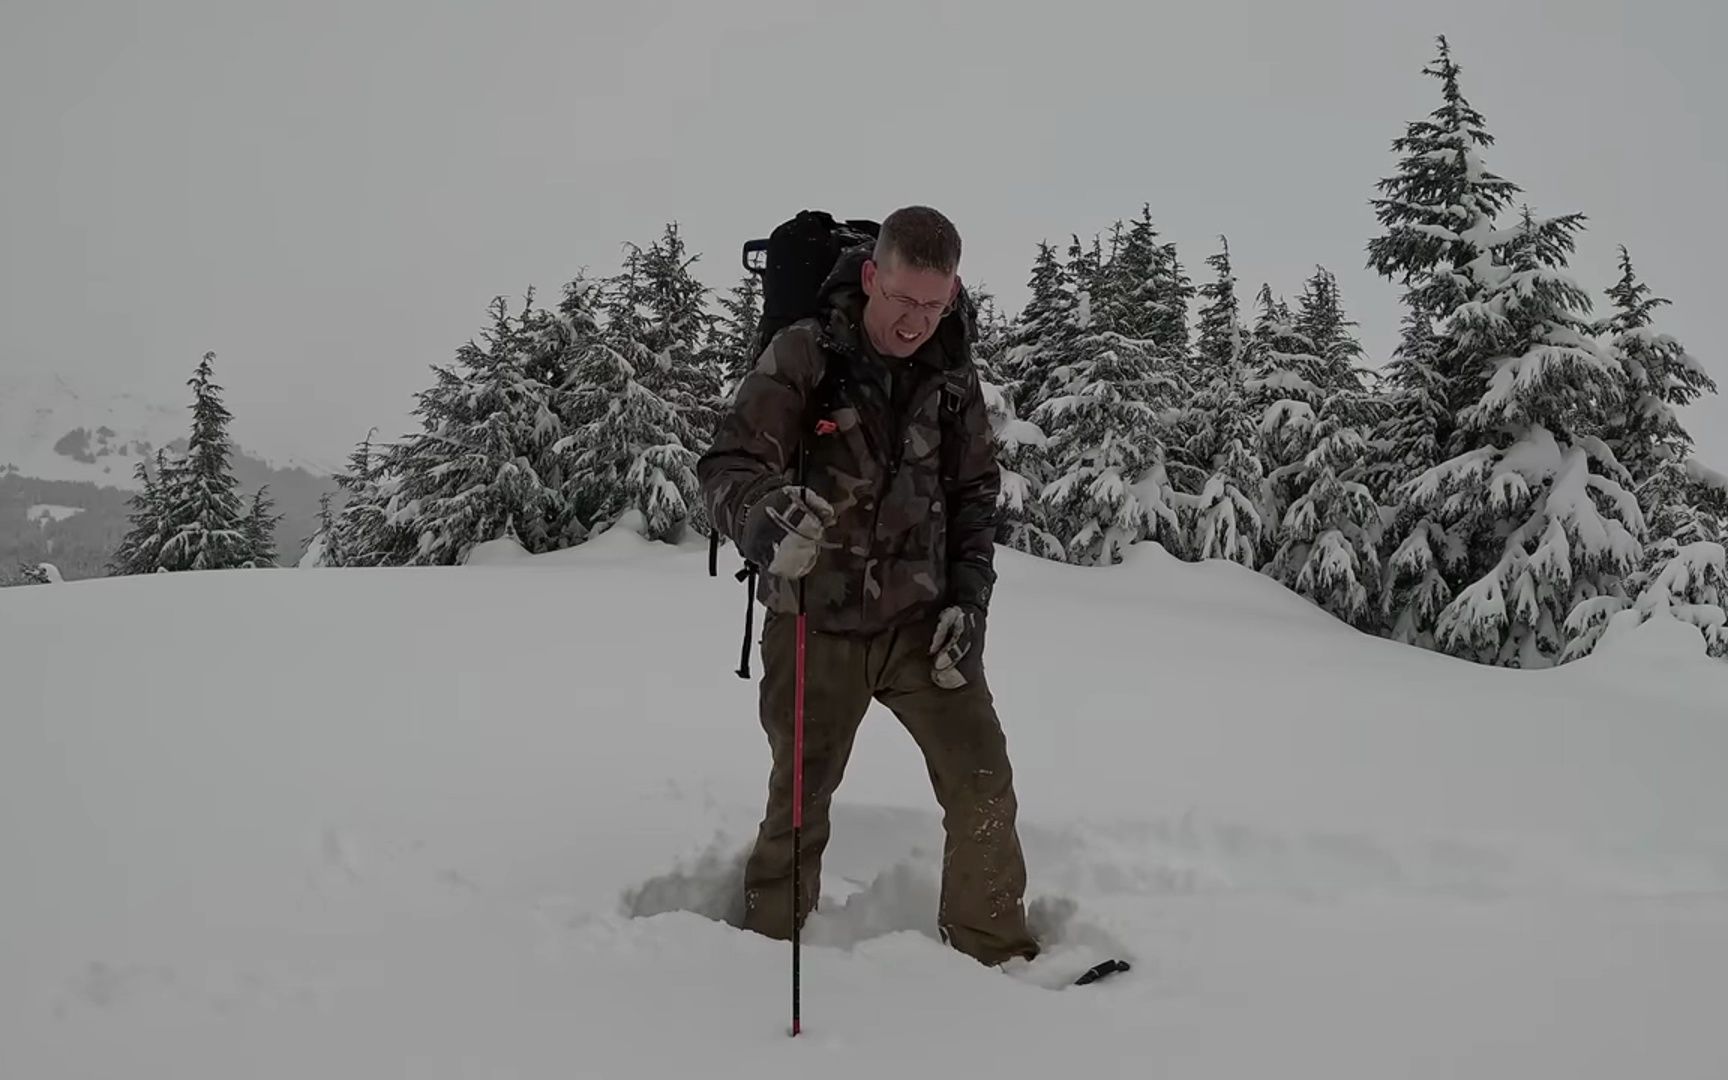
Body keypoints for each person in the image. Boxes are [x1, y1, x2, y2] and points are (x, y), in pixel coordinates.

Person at [696, 205, 1040, 968]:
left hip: (923, 627)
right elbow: (726, 466)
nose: (918, 322)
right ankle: (761, 959)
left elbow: (976, 494)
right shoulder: (806, 354)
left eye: (935, 304)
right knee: (796, 809)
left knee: (984, 784)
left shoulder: (953, 373)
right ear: (872, 276)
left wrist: (968, 600)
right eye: (904, 301)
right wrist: (762, 520)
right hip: (815, 622)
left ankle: (997, 957)